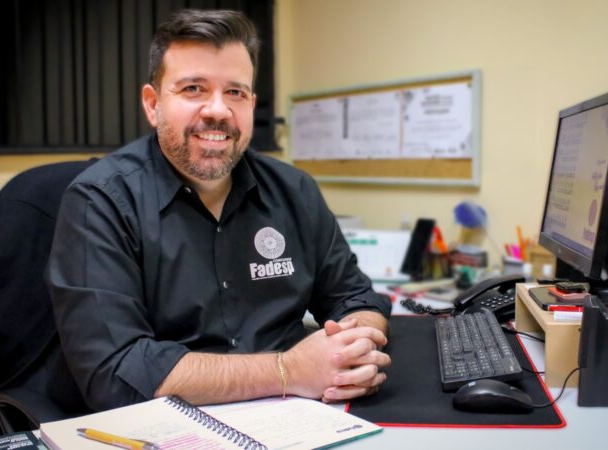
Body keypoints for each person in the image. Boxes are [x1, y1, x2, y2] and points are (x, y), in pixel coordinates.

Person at [46, 9, 391, 412]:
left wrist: (354, 348)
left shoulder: (295, 190)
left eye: (235, 93)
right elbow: (116, 372)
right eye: (194, 88)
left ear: (251, 104)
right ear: (153, 104)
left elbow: (354, 297)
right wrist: (289, 370)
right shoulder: (100, 201)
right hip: (169, 424)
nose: (218, 110)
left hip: (304, 416)